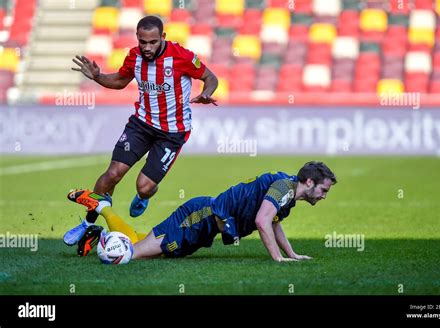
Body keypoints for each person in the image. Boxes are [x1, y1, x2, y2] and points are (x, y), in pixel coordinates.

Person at [64, 15, 219, 246]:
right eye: (143, 42)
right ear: (137, 38)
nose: (147, 48)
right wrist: (97, 76)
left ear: (163, 38)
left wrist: (207, 92)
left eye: (153, 42)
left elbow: (210, 77)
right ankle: (88, 224)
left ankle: (144, 196)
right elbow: (119, 81)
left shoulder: (181, 56)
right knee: (112, 175)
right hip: (142, 124)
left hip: (172, 133)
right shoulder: (134, 56)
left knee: (144, 187)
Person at [68, 161, 337, 262]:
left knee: (141, 244)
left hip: (204, 226)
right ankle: (103, 213)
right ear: (310, 182)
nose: (324, 196)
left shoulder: (287, 193)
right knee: (133, 255)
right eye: (323, 190)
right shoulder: (283, 187)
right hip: (200, 217)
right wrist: (277, 259)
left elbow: (274, 222)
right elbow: (262, 220)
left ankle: (100, 225)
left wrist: (292, 253)